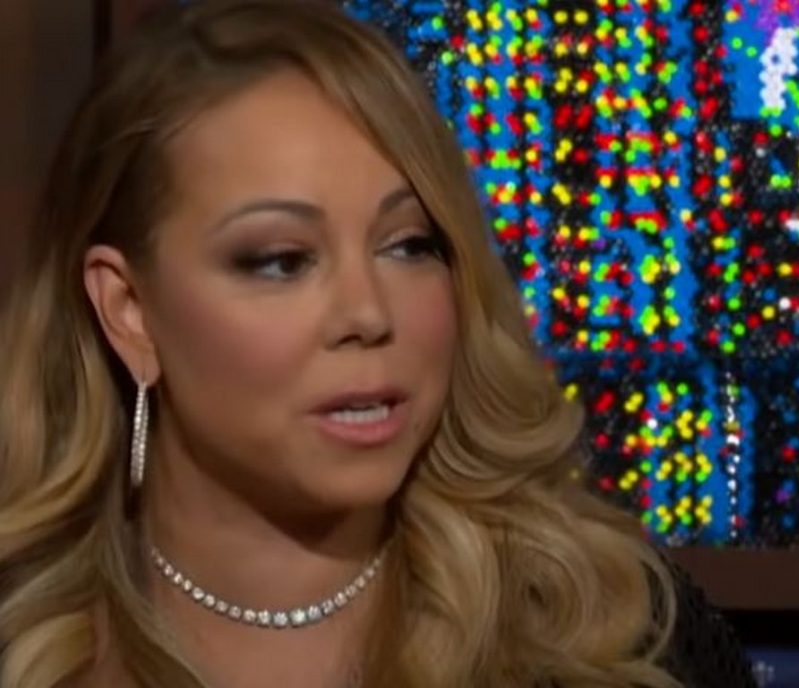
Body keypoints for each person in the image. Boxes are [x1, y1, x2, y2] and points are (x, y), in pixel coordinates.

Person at [0, 1, 754, 686]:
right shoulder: (26, 649)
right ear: (129, 310)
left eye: (408, 245)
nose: (368, 313)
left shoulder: (618, 627)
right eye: (282, 260)